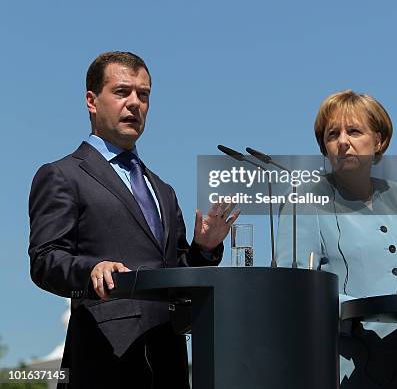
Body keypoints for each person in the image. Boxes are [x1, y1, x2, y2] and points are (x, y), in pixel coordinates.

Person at [29, 51, 239, 389]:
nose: (135, 103)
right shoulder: (63, 175)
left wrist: (204, 249)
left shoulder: (163, 190)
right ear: (91, 101)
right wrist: (91, 270)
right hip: (104, 361)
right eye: (122, 91)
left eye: (143, 94)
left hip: (167, 362)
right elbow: (45, 260)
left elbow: (173, 273)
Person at [277, 90, 397, 388]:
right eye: (333, 133)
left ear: (379, 140)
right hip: (345, 367)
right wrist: (367, 308)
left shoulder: (396, 194)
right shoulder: (302, 201)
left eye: (354, 131)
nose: (343, 141)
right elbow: (295, 289)